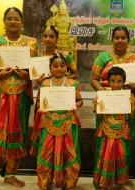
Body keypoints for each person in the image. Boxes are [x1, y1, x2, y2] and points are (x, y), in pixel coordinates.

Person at [0, 7, 36, 188]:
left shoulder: (31, 43)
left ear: (22, 22)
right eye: (9, 18)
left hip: (21, 96)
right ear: (4, 21)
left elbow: (37, 70)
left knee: (19, 133)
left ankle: (11, 174)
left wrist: (27, 76)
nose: (12, 21)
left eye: (16, 18)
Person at [90, 26, 135, 168]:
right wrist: (105, 93)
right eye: (117, 38)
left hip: (128, 108)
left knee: (127, 142)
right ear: (112, 40)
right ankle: (103, 174)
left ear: (128, 40)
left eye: (123, 38)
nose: (120, 41)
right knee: (104, 142)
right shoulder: (103, 58)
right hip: (107, 107)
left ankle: (122, 175)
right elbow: (93, 80)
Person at [30, 52, 83, 190]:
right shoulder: (45, 84)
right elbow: (40, 103)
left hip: (68, 123)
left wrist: (77, 105)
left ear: (66, 67)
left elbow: (80, 100)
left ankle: (68, 183)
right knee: (46, 152)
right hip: (48, 123)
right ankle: (45, 182)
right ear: (50, 68)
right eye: (55, 66)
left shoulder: (72, 83)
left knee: (69, 152)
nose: (59, 68)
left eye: (62, 65)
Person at [92, 67, 135, 189]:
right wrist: (96, 105)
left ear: (123, 82)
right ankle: (104, 181)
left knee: (121, 156)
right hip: (106, 130)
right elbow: (99, 115)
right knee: (105, 155)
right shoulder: (103, 95)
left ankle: (118, 181)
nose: (116, 84)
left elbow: (131, 118)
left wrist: (132, 108)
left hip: (122, 130)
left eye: (119, 81)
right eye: (112, 81)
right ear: (108, 81)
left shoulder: (128, 97)